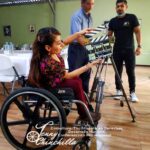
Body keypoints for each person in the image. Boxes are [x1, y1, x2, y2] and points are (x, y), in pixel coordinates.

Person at [28, 27, 101, 122]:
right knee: (76, 83)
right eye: (58, 43)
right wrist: (88, 66)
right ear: (48, 47)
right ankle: (84, 114)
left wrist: (79, 33)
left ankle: (84, 109)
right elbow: (68, 75)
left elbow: (65, 42)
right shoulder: (49, 61)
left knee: (77, 80)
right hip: (51, 86)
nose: (61, 44)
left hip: (55, 80)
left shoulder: (51, 52)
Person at [108, 0, 141, 102]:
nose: (119, 8)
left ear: (126, 7)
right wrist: (110, 43)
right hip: (117, 50)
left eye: (122, 6)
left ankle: (132, 92)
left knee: (130, 71)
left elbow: (137, 32)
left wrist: (139, 46)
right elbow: (110, 35)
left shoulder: (132, 18)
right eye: (118, 6)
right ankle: (118, 90)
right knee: (118, 71)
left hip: (129, 50)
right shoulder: (113, 21)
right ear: (115, 8)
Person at [68, 0, 94, 94]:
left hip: (85, 47)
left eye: (92, 3)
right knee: (74, 74)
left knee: (86, 72)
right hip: (76, 48)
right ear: (82, 3)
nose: (91, 6)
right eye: (88, 3)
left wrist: (91, 46)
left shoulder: (90, 17)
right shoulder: (77, 16)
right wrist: (92, 45)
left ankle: (84, 96)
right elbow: (78, 37)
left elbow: (88, 35)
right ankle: (71, 98)